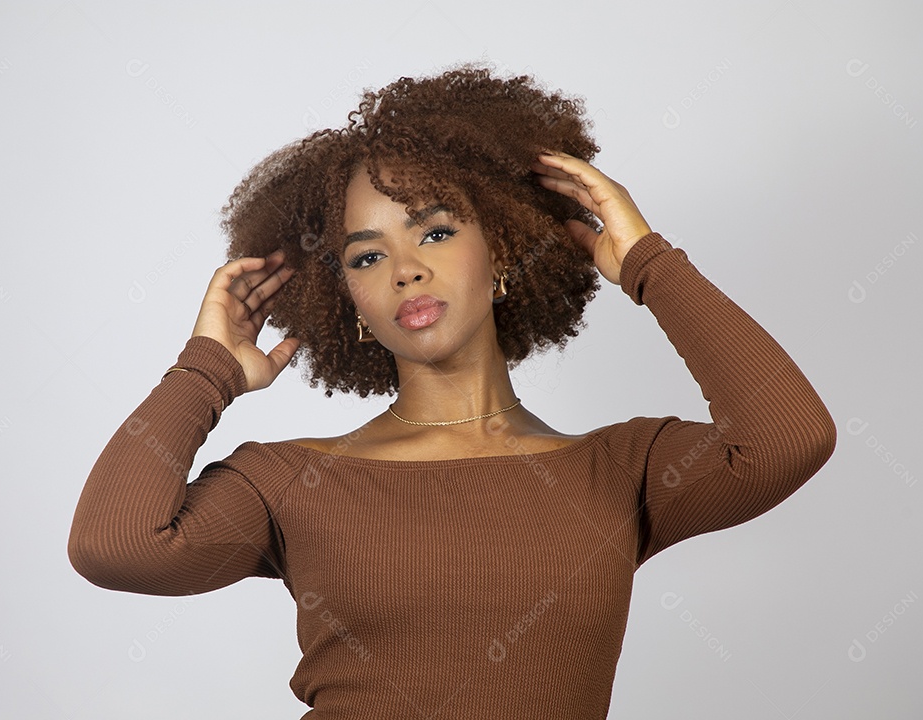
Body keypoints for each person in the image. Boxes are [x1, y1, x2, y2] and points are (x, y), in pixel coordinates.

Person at [68, 62, 837, 718]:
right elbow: (116, 545)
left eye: (435, 232)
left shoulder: (619, 473)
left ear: (499, 248)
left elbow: (787, 439)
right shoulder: (291, 481)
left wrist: (649, 263)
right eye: (367, 258)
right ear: (352, 306)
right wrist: (208, 368)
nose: (405, 268)